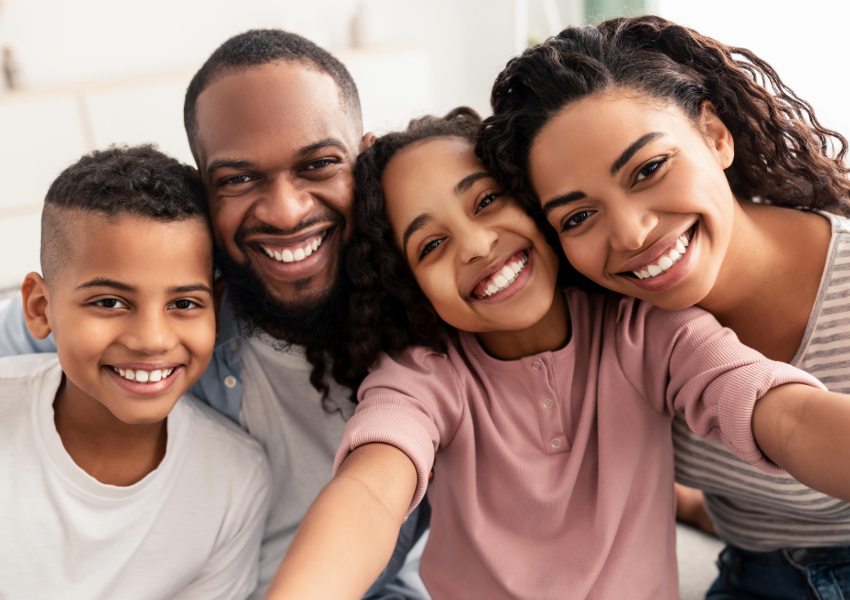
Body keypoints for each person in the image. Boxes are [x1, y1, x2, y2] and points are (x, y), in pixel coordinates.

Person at [262, 109, 850, 600]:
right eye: (432, 244)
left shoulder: (646, 330)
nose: (477, 245)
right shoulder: (424, 376)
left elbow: (784, 413)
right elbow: (369, 492)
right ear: (409, 284)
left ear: (538, 204)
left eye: (487, 201)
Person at [0, 29, 426, 600]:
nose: (285, 211)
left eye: (319, 164)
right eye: (240, 178)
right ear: (205, 191)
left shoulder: (432, 318)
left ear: (365, 161)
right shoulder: (168, 313)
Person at [477, 15, 850, 599]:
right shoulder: (617, 331)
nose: (630, 233)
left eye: (649, 169)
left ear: (716, 135)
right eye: (577, 216)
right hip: (758, 577)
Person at [0, 145, 271, 600]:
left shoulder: (235, 479)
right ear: (40, 307)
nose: (151, 339)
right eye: (109, 302)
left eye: (183, 304)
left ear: (216, 307)